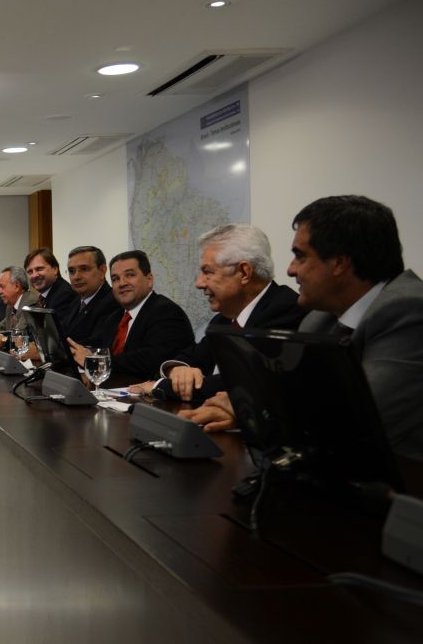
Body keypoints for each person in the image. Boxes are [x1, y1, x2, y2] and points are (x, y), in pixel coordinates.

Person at [188, 195, 423, 461]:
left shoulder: (410, 311)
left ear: (339, 263)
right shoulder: (318, 319)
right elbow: (295, 393)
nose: (289, 270)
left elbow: (356, 420)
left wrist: (247, 409)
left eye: (300, 256)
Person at [132, 224, 305, 401]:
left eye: (207, 272)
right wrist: (177, 369)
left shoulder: (285, 310)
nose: (199, 283)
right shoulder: (223, 320)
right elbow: (188, 357)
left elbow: (240, 384)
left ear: (244, 273)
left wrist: (157, 386)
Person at [67, 250, 193, 379]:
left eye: (130, 275)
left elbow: (149, 361)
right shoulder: (116, 316)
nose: (122, 283)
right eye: (115, 279)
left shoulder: (166, 312)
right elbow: (94, 345)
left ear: (149, 280)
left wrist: (94, 361)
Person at [63, 245, 122, 346]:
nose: (76, 277)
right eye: (72, 271)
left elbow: (96, 344)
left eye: (84, 269)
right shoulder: (75, 300)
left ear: (102, 271)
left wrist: (52, 350)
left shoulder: (113, 301)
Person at [24, 248, 78, 328]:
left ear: (55, 270)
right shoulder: (43, 297)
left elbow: (54, 335)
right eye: (30, 272)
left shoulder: (64, 295)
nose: (34, 275)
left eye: (39, 269)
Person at [0, 265, 38, 349]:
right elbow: (1, 327)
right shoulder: (10, 306)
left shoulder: (30, 303)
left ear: (17, 286)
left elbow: (18, 336)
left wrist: (2, 339)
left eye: (2, 287)